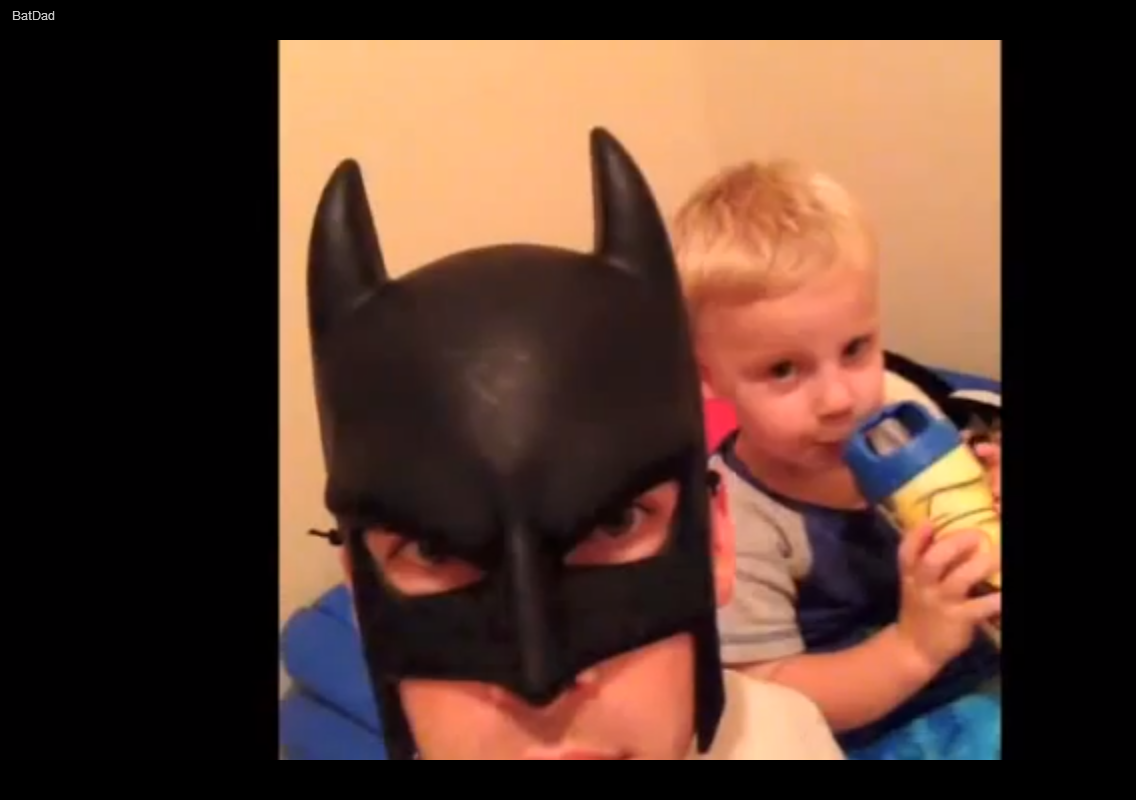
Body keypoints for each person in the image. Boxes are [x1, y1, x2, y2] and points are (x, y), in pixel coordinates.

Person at [300, 128, 845, 760]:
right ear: (358, 596)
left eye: (614, 524)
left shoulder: (786, 738)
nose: (541, 685)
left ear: (718, 542)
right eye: (434, 550)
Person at [668, 159, 1003, 759]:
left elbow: (967, 535)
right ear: (708, 378)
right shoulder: (735, 520)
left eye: (855, 349)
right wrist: (912, 648)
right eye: (783, 370)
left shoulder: (897, 409)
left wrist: (983, 493)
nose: (839, 399)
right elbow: (770, 694)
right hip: (879, 726)